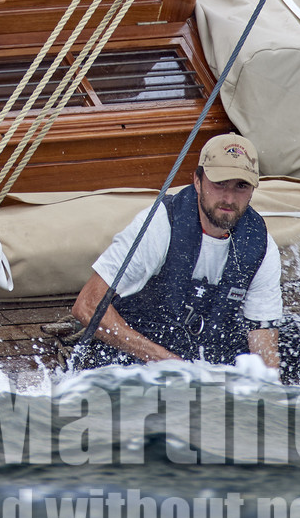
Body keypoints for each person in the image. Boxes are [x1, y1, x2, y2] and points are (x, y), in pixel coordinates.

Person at [71, 133, 282, 371]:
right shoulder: (160, 224)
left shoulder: (261, 246)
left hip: (204, 368)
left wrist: (269, 392)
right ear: (197, 181)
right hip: (131, 368)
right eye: (220, 183)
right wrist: (171, 365)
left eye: (241, 186)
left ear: (253, 190)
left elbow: (264, 346)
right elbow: (88, 306)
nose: (229, 197)